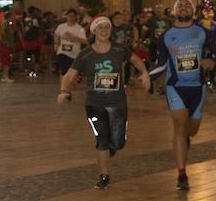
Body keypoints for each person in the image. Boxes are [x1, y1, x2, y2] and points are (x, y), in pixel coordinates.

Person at [57, 15, 150, 188]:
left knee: (118, 142)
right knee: (102, 139)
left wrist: (144, 73)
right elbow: (69, 75)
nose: (104, 30)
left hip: (117, 103)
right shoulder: (86, 54)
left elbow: (136, 60)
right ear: (94, 31)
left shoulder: (120, 49)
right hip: (94, 103)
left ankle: (109, 150)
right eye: (100, 27)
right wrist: (64, 90)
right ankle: (104, 176)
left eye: (107, 27)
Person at [155, 0, 211, 191]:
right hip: (175, 86)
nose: (184, 8)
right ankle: (182, 174)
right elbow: (160, 63)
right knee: (179, 126)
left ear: (193, 12)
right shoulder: (166, 36)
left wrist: (211, 62)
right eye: (181, 5)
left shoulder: (203, 32)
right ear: (174, 11)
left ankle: (184, 139)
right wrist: (146, 75)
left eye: (188, 6)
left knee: (191, 131)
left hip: (198, 87)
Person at [53, 9, 87, 78]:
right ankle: (63, 87)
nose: (71, 18)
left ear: (76, 17)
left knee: (72, 72)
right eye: (69, 16)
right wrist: (56, 43)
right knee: (64, 71)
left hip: (74, 53)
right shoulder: (61, 26)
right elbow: (56, 34)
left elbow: (85, 41)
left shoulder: (79, 28)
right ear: (66, 16)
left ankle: (71, 85)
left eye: (73, 16)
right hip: (62, 51)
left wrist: (74, 38)